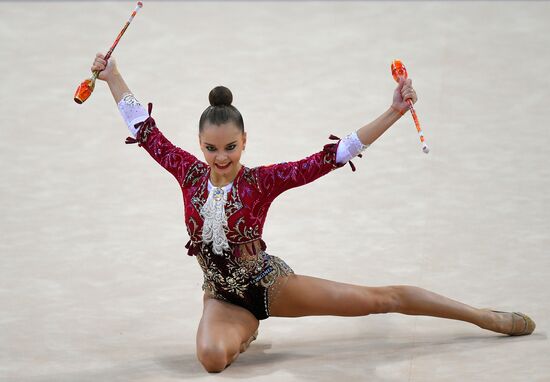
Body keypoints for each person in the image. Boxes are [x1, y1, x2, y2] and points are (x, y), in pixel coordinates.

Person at [90, 53, 535, 373]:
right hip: (222, 297)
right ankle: (243, 328)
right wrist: (113, 77)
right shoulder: (188, 174)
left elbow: (332, 157)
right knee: (211, 361)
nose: (220, 157)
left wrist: (395, 112)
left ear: (245, 141)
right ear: (200, 144)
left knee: (381, 300)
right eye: (211, 148)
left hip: (270, 285)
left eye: (229, 147)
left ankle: (484, 316)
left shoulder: (261, 181)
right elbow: (144, 130)